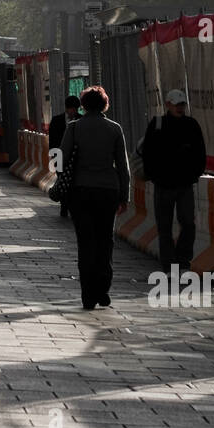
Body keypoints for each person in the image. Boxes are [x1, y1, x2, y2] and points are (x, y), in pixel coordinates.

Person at [60, 85, 129, 310]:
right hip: (108, 191)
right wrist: (124, 196)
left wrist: (61, 181)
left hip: (80, 191)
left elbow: (60, 159)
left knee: (85, 242)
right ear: (104, 104)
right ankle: (103, 289)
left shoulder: (74, 128)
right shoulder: (114, 129)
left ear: (83, 105)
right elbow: (123, 166)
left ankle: (88, 294)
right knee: (105, 241)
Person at [139, 89, 207, 273]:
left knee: (188, 223)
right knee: (165, 226)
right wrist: (154, 175)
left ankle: (183, 261)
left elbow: (200, 152)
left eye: (182, 104)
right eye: (176, 104)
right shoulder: (158, 124)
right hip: (163, 185)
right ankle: (169, 265)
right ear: (168, 104)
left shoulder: (191, 125)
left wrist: (194, 174)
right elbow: (148, 153)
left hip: (184, 184)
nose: (180, 108)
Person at [48, 95, 81, 218]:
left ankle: (70, 205)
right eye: (72, 109)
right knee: (62, 180)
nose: (74, 111)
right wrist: (54, 158)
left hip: (75, 158)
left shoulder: (81, 120)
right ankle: (64, 204)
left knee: (73, 182)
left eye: (76, 109)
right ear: (67, 108)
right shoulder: (56, 121)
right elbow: (52, 141)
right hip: (59, 157)